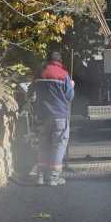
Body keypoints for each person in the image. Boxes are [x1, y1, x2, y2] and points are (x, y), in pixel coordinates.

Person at [30, 52, 75, 186]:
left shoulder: (39, 74)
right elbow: (69, 96)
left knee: (43, 145)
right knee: (58, 145)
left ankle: (40, 176)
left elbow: (30, 92)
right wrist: (71, 85)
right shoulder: (64, 75)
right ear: (60, 61)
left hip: (42, 117)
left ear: (47, 61)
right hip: (59, 116)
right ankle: (53, 178)